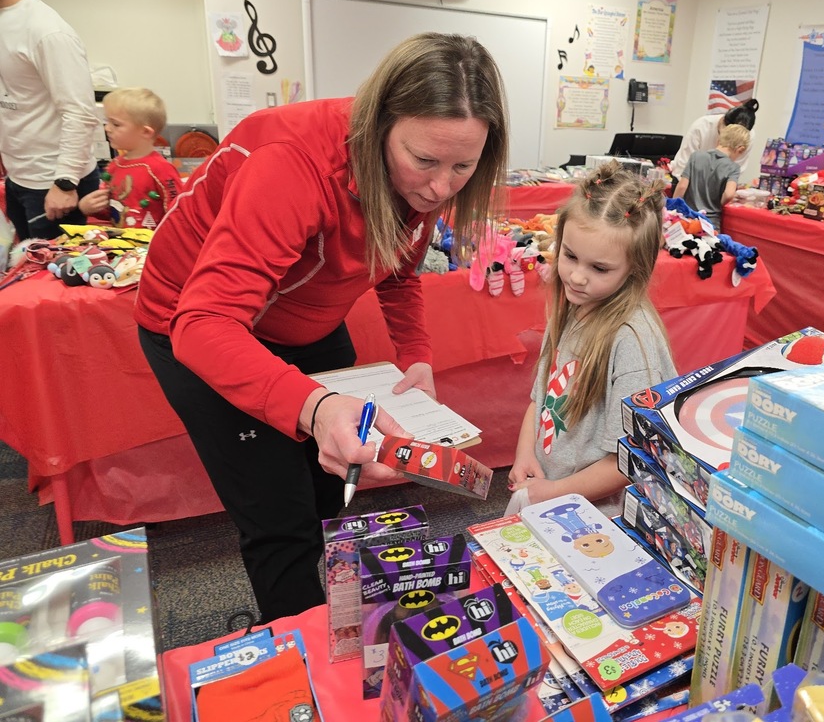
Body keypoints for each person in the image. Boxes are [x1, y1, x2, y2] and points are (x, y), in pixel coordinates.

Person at [134, 33, 510, 622]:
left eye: (464, 166)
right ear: (379, 124)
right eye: (426, 162)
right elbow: (203, 323)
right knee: (280, 516)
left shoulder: (425, 163)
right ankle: (300, 656)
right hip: (194, 319)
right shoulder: (291, 162)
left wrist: (416, 353)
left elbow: (399, 268)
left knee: (332, 483)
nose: (441, 187)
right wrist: (313, 408)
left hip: (302, 318)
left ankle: (332, 615)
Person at [505, 161, 677, 518]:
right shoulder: (569, 308)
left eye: (599, 268)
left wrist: (554, 491)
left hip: (600, 515)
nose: (577, 277)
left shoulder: (631, 341)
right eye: (569, 256)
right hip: (552, 493)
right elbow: (539, 402)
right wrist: (526, 455)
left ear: (636, 269)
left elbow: (629, 455)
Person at [0, 0, 102, 241]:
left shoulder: (47, 29)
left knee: (54, 280)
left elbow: (79, 112)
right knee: (27, 271)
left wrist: (65, 182)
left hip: (56, 185)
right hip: (19, 177)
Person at [78, 87, 182, 229]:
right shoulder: (115, 165)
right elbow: (110, 209)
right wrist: (88, 207)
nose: (107, 128)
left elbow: (179, 213)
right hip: (120, 244)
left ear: (145, 132)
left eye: (116, 124)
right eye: (107, 122)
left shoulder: (160, 169)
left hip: (150, 246)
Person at [672, 123, 750, 231]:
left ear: (719, 140)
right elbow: (728, 194)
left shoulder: (696, 156)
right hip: (710, 223)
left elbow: (682, 186)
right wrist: (718, 203)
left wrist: (672, 209)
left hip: (687, 218)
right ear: (740, 149)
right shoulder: (733, 168)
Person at [668, 99, 759, 182]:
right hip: (687, 181)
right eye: (725, 137)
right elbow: (683, 166)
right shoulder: (701, 126)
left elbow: (736, 169)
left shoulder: (748, 136)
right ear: (723, 120)